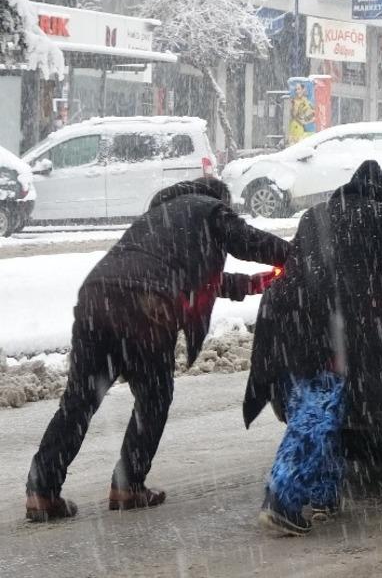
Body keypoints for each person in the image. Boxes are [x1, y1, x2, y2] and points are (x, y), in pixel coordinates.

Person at [25, 177, 289, 523]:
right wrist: (299, 253)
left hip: (97, 295)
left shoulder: (160, 216)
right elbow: (251, 242)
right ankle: (128, 485)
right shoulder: (210, 210)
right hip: (145, 303)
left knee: (79, 400)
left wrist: (256, 283)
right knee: (154, 396)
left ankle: (42, 491)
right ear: (220, 200)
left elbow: (195, 277)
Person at [243, 161, 382, 536]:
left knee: (322, 409)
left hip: (289, 320)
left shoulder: (316, 215)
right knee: (319, 411)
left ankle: (324, 497)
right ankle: (282, 498)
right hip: (334, 326)